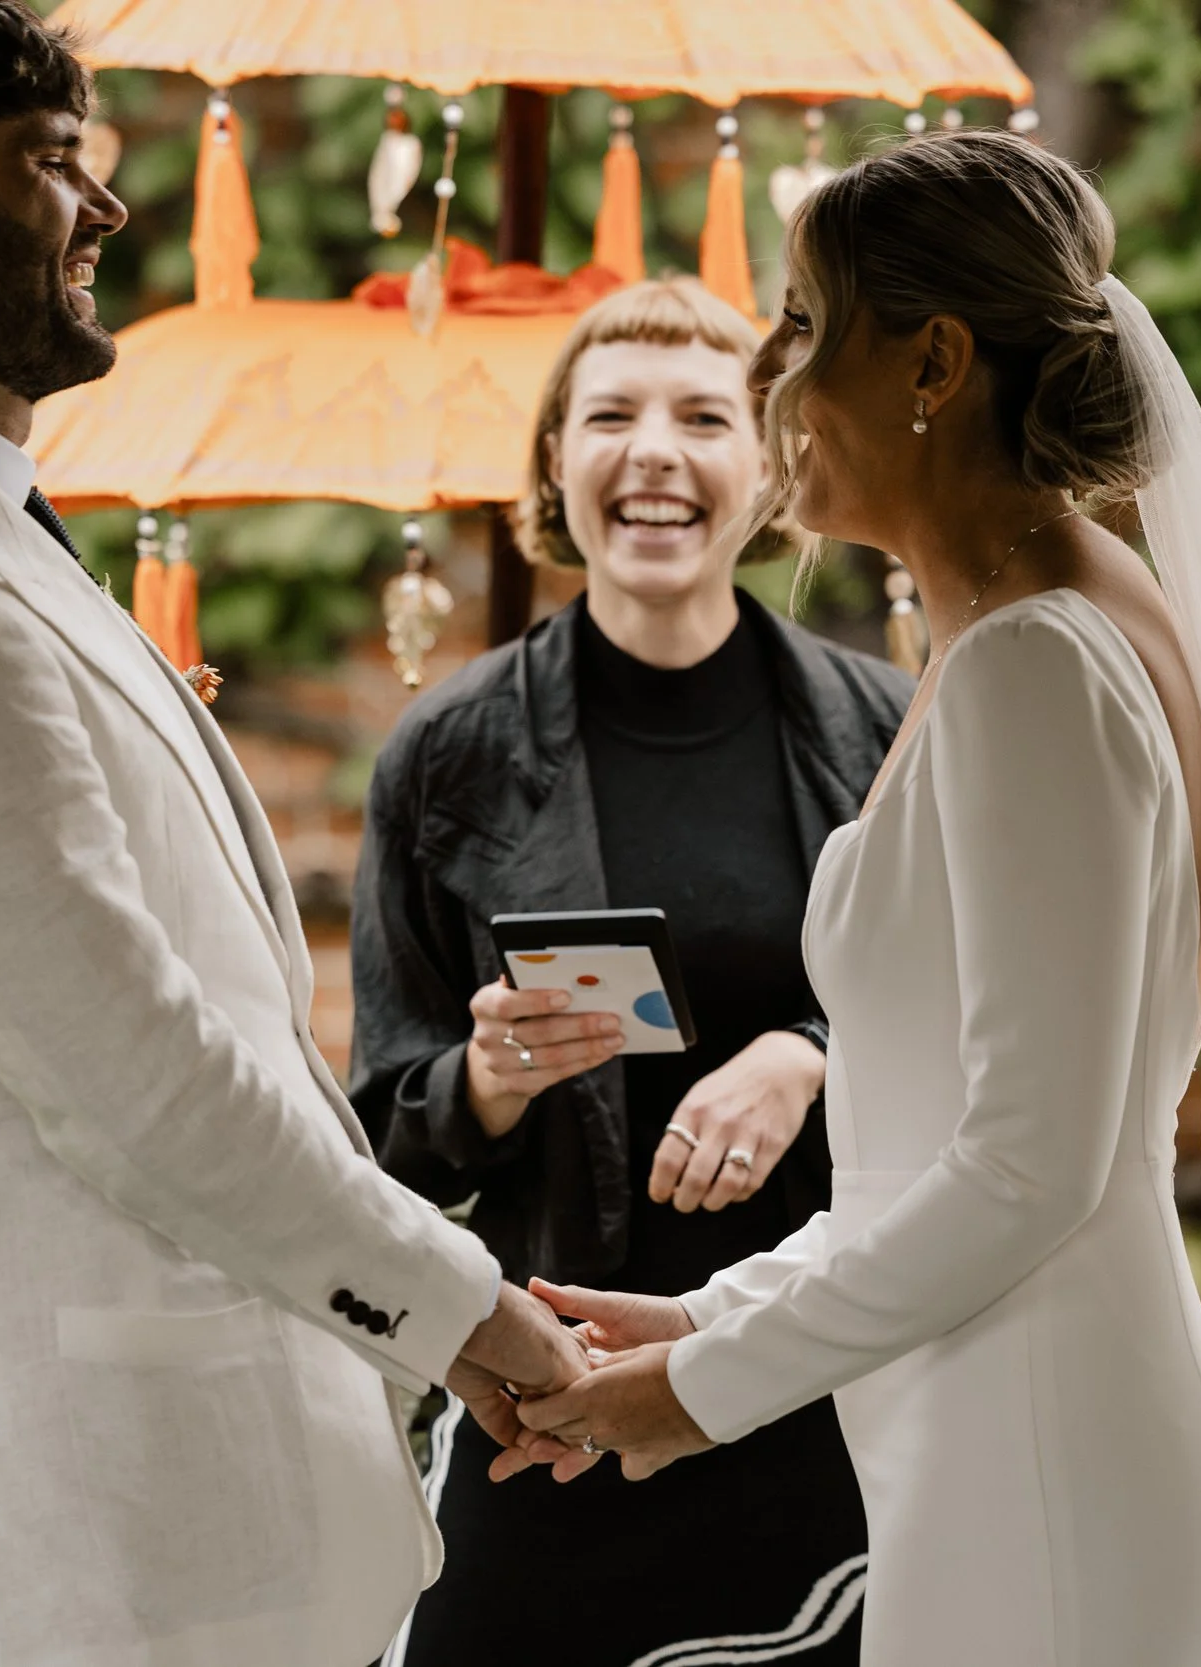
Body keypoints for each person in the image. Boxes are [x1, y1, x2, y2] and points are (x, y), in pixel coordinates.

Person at [0, 6, 583, 1665]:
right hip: (103, 1544)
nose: (101, 208)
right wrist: (472, 1317)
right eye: (46, 164)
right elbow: (147, 1077)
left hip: (197, 1511)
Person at [518, 133, 1201, 1667]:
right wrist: (705, 1317)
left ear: (935, 359)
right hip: (1005, 1444)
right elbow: (952, 1149)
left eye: (807, 325)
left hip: (1044, 1470)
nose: (771, 377)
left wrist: (697, 1396)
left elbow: (1030, 1164)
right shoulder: (1032, 630)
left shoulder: (1033, 665)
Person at [351, 277, 912, 1667]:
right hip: (559, 1398)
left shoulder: (891, 730)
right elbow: (376, 1140)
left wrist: (810, 1047)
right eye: (610, 414)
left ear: (771, 460)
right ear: (555, 464)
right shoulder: (449, 753)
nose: (654, 450)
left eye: (704, 415)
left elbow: (973, 1046)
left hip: (820, 1384)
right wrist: (479, 1082)